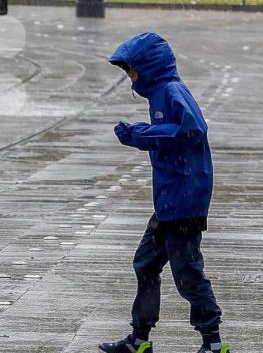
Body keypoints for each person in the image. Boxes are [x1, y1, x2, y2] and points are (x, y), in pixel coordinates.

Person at [103, 32, 231, 353]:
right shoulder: (158, 94)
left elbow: (193, 129)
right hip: (169, 201)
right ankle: (139, 338)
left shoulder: (172, 91)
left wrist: (142, 134)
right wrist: (142, 135)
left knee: (188, 273)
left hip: (185, 201)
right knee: (146, 264)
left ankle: (212, 341)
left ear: (149, 65)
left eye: (132, 70)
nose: (130, 77)